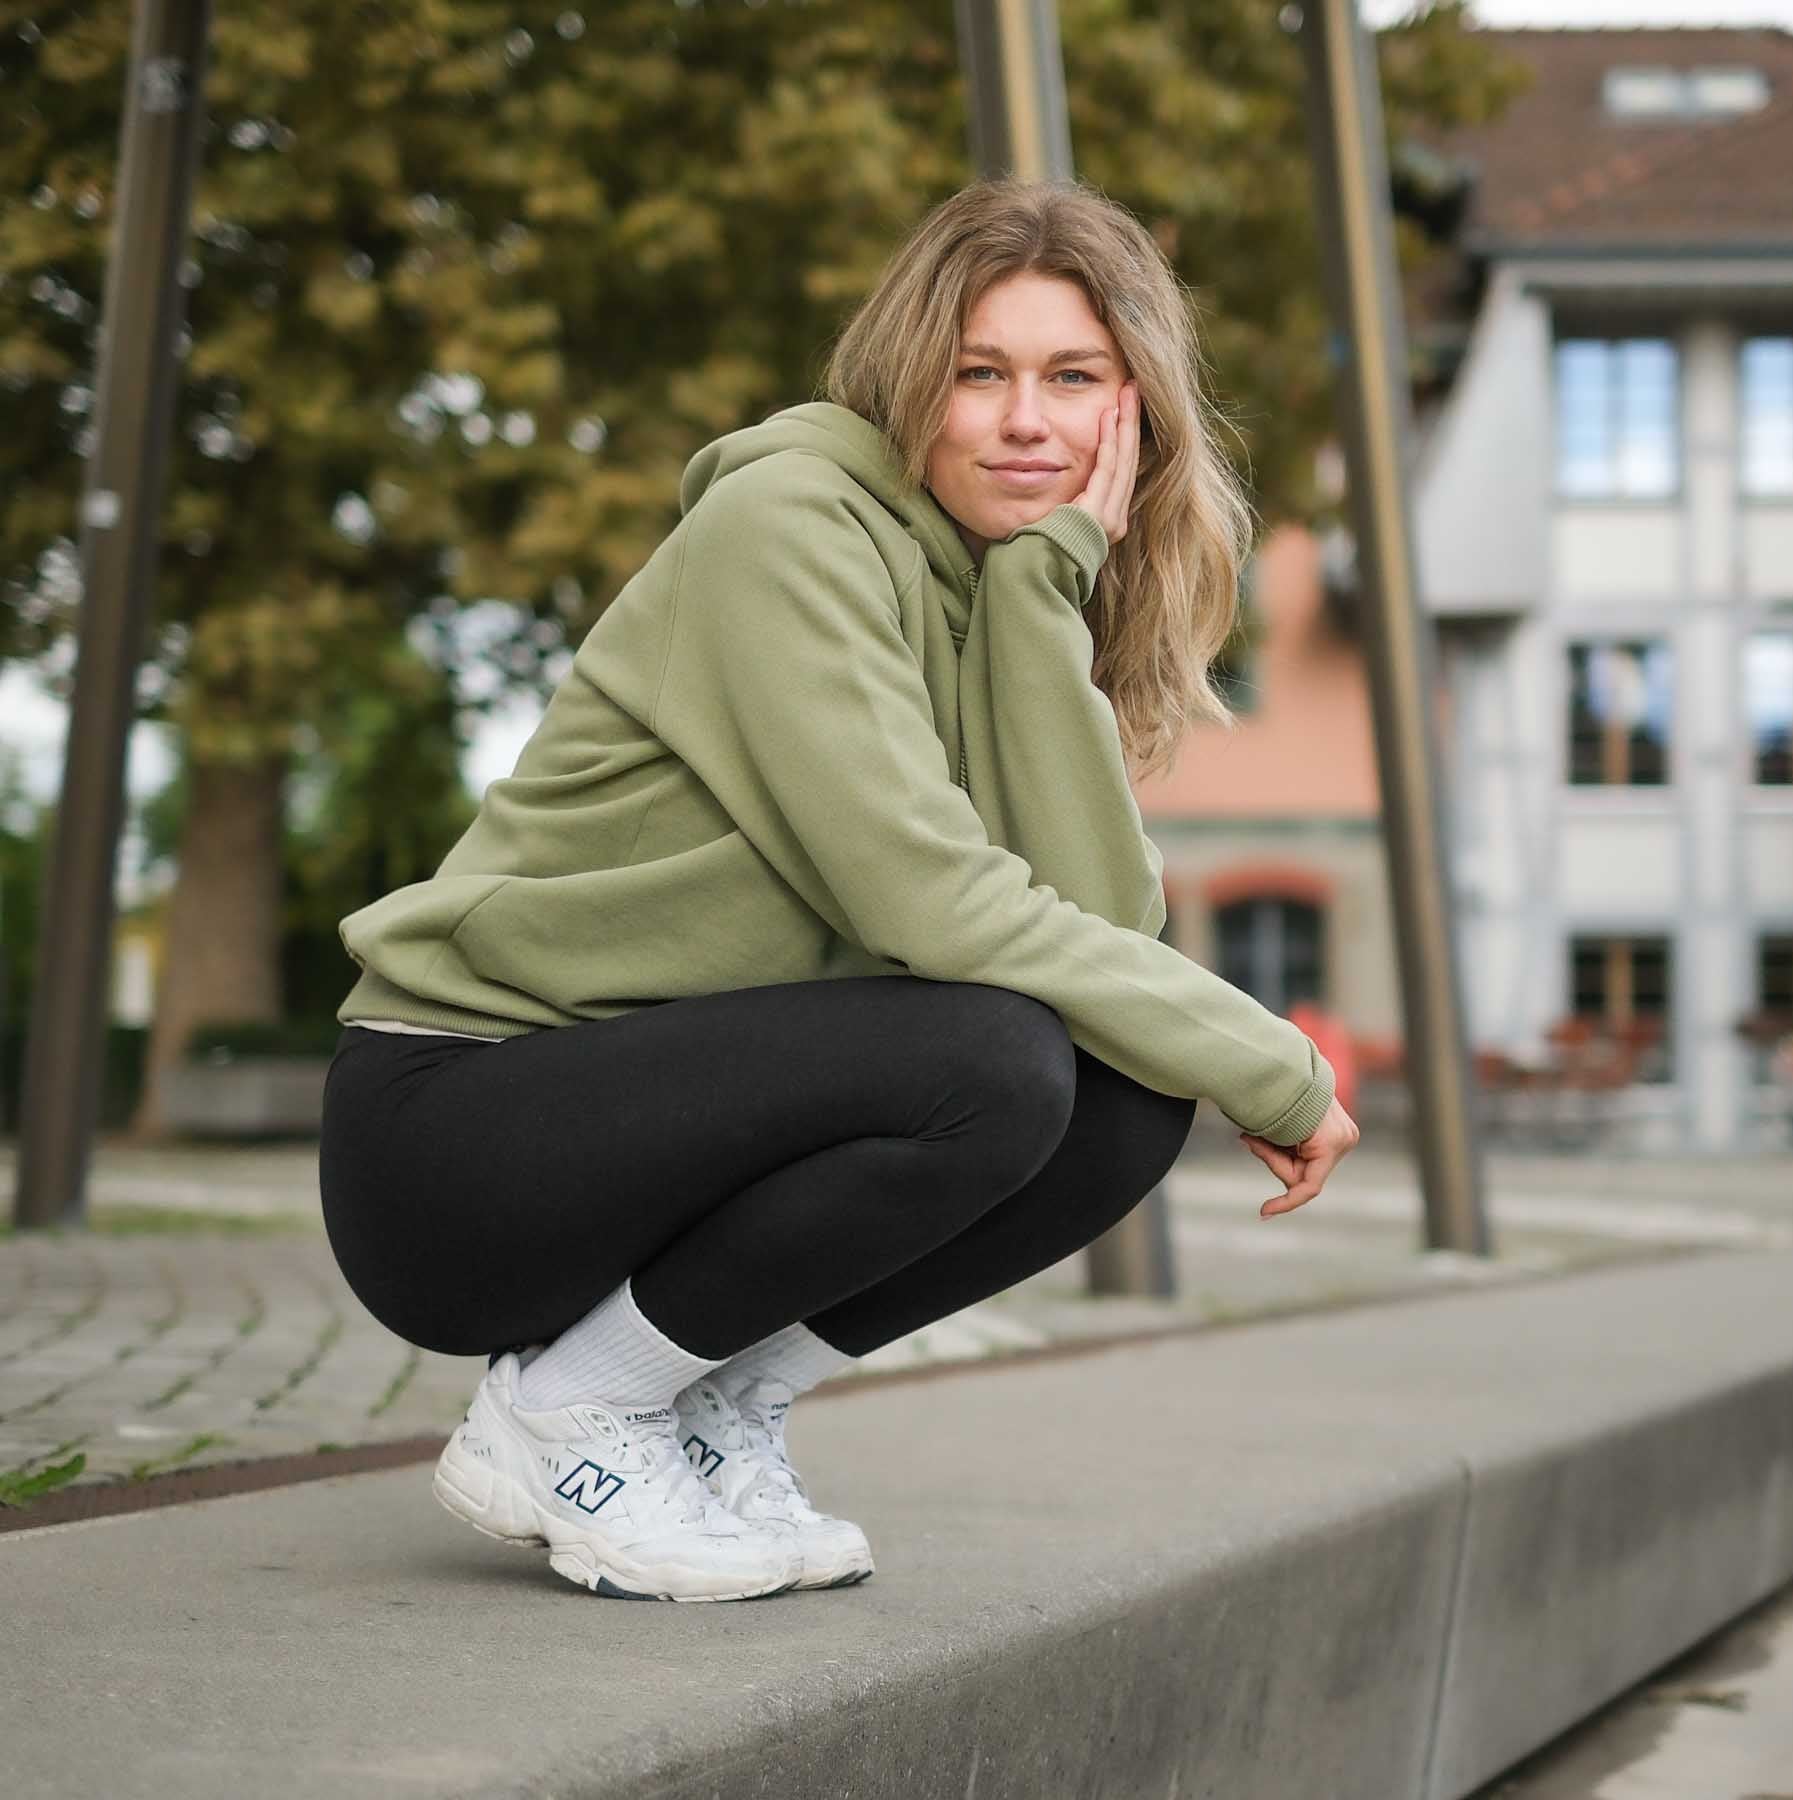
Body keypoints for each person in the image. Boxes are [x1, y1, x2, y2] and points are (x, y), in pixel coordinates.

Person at [317, 174, 1360, 1605]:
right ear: (908, 377)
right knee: (993, 1059)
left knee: (1119, 1096)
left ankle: (710, 1405)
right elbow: (937, 911)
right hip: (462, 1130)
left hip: (639, 1117)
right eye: (979, 373)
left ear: (1135, 410)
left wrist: (1040, 595)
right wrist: (1276, 1062)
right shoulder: (792, 525)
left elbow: (1100, 932)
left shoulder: (996, 584)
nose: (1026, 421)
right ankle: (571, 1415)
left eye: (1075, 378)